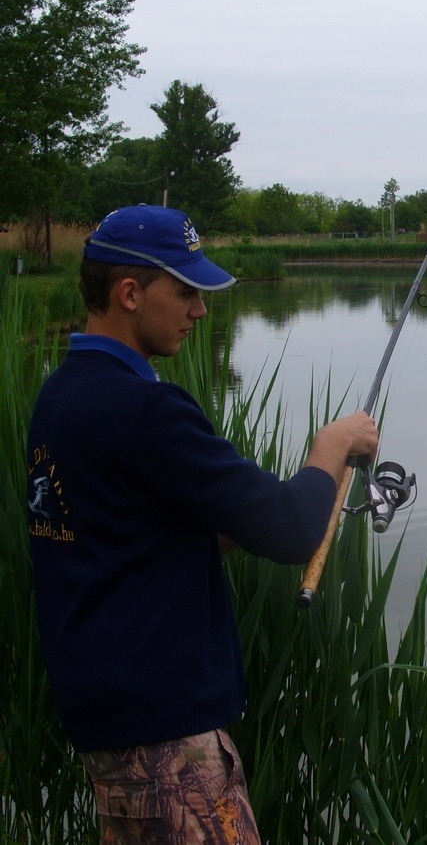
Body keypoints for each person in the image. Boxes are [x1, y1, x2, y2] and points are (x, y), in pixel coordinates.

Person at [25, 204, 379, 844]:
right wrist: (330, 447)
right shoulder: (146, 409)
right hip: (167, 750)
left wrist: (241, 515)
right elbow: (291, 531)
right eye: (185, 291)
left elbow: (131, 530)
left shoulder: (61, 397)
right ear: (129, 293)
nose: (200, 311)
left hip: (112, 733)